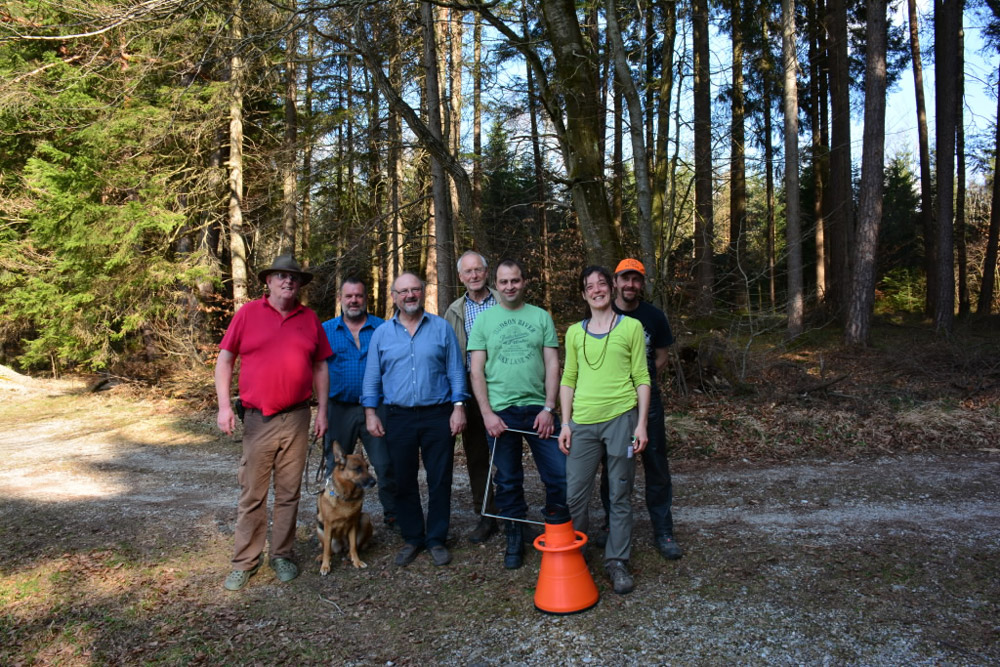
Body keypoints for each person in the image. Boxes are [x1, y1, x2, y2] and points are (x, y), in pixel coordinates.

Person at [215, 254, 331, 591]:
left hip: (297, 417)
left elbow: (321, 367)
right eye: (280, 276)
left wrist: (321, 411)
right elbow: (225, 360)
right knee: (253, 493)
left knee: (289, 493)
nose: (288, 282)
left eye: (293, 278)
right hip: (257, 418)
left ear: (299, 284)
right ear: (268, 281)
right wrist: (223, 407)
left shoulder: (309, 319)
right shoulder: (248, 314)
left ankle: (281, 554)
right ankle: (245, 561)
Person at [362, 272, 467, 567]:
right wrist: (371, 413)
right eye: (403, 291)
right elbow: (372, 377)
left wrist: (458, 407)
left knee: (440, 478)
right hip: (398, 416)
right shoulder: (382, 333)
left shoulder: (441, 328)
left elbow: (456, 371)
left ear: (422, 292)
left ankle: (435, 538)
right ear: (394, 296)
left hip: (438, 414)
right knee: (403, 479)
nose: (410, 295)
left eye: (415, 290)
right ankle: (412, 537)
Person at [468, 259, 567, 570]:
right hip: (501, 415)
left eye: (515, 280)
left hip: (540, 412)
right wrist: (486, 414)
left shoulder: (541, 317)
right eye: (504, 281)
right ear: (496, 284)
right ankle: (514, 531)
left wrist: (550, 408)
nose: (509, 286)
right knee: (508, 480)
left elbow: (553, 365)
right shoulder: (484, 321)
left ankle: (556, 526)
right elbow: (476, 371)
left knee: (560, 475)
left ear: (524, 282)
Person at [558, 265, 650, 595]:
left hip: (621, 420)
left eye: (601, 284)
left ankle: (616, 560)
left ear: (611, 288)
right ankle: (575, 554)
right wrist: (565, 423)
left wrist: (641, 424)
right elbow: (568, 379)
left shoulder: (632, 328)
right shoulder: (574, 333)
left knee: (620, 492)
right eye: (589, 286)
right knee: (574, 495)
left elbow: (642, 377)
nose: (597, 290)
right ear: (584, 294)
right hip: (582, 423)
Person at [604, 258, 682, 560]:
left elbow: (661, 357)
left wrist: (642, 385)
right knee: (612, 466)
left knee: (656, 465)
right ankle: (611, 526)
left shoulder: (654, 317)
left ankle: (663, 530)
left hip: (647, 404)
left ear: (642, 284)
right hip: (611, 403)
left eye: (636, 280)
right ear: (615, 281)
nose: (630, 285)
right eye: (625, 279)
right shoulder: (604, 314)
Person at [321, 276, 397, 533]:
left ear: (366, 298)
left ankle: (393, 515)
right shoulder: (326, 330)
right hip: (339, 409)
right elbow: (314, 368)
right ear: (341, 299)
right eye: (349, 296)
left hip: (376, 409)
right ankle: (333, 515)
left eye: (359, 296)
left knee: (385, 464)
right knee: (335, 464)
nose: (354, 300)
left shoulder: (383, 328)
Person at [444, 250, 500, 543]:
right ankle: (487, 515)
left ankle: (513, 512)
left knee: (508, 450)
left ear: (486, 272)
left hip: (505, 384)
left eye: (478, 269)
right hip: (470, 386)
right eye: (468, 272)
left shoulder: (504, 300)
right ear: (461, 277)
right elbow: (451, 357)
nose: (474, 275)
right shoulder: (453, 311)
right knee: (477, 454)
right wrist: (457, 399)